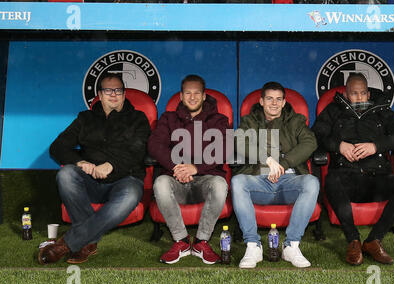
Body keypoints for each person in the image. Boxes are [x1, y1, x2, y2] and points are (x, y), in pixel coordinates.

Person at [40, 73, 151, 265]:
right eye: (108, 90)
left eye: (118, 90)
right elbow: (57, 147)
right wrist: (80, 163)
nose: (113, 94)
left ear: (124, 94)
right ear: (99, 94)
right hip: (90, 181)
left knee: (131, 196)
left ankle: (68, 243)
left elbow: (138, 150)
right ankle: (88, 240)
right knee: (65, 174)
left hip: (126, 180)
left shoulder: (137, 118)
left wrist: (111, 165)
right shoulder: (85, 118)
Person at [312, 73, 394, 265]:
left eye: (363, 93)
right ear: (345, 94)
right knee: (331, 179)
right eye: (354, 93)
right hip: (347, 177)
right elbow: (315, 135)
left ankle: (373, 240)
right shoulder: (333, 110)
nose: (359, 97)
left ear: (368, 94)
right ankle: (353, 240)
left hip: (378, 178)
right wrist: (339, 145)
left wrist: (376, 145)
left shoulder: (381, 110)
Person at [231, 81, 320, 269]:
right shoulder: (250, 121)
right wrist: (267, 160)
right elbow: (239, 143)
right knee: (238, 181)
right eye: (269, 99)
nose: (274, 103)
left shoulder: (295, 121)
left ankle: (292, 246)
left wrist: (283, 164)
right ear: (261, 101)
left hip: (288, 181)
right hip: (259, 181)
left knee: (311, 182)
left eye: (278, 99)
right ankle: (253, 245)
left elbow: (310, 143)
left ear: (284, 102)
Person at [148, 74, 230, 265]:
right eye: (187, 93)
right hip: (175, 180)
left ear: (204, 96)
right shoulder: (168, 118)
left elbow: (224, 148)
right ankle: (182, 241)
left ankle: (201, 241)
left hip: (205, 181)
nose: (192, 97)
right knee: (160, 182)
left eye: (196, 93)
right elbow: (154, 144)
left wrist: (196, 168)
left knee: (219, 184)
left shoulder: (218, 120)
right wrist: (177, 167)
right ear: (181, 96)